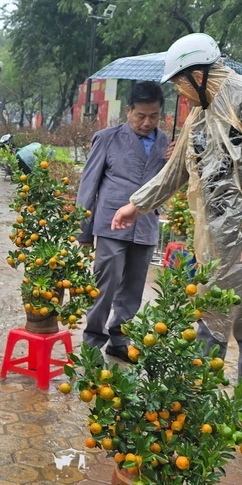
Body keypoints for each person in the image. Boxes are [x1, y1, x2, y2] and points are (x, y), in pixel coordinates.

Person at [112, 34, 242, 418]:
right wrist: (136, 205)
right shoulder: (202, 112)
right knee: (210, 322)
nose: (180, 93)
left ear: (199, 74)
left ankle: (241, 418)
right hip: (219, 241)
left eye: (181, 84)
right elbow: (178, 171)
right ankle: (195, 407)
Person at [76, 81, 170, 362]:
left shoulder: (166, 143)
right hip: (110, 224)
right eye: (140, 115)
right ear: (128, 111)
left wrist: (178, 159)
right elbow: (88, 186)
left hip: (145, 226)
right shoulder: (107, 138)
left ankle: (120, 339)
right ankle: (92, 342)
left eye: (153, 116)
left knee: (132, 289)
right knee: (105, 285)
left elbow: (168, 183)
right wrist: (84, 231)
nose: (146, 122)